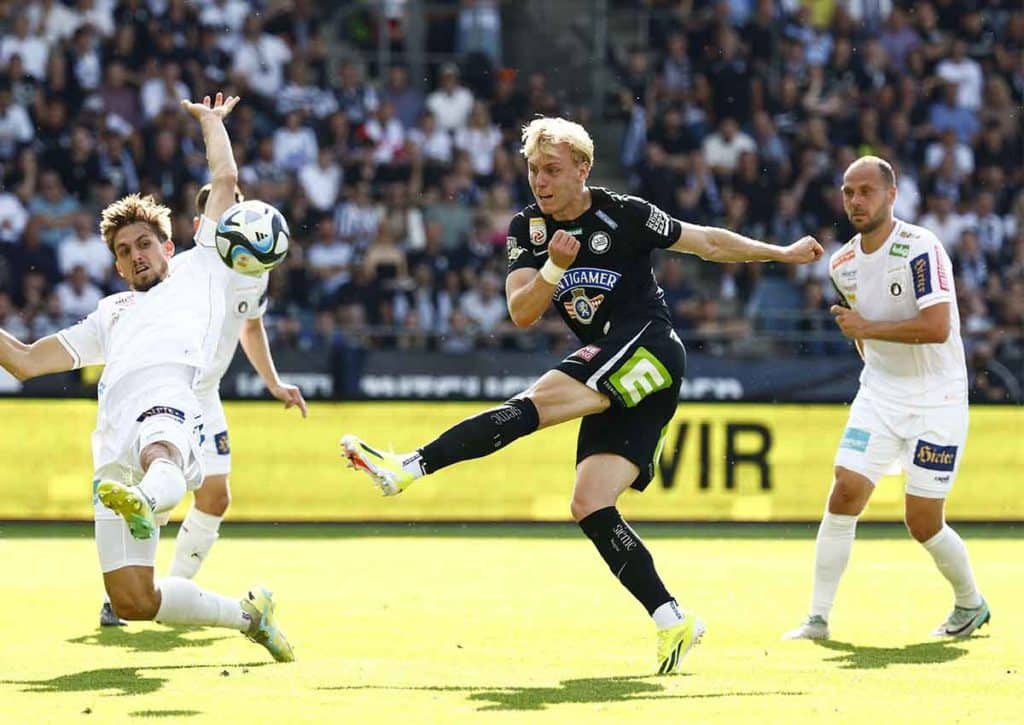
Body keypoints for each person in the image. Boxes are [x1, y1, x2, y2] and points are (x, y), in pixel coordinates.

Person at [341, 117, 823, 674]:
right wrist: (554, 266)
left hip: (650, 348)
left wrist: (783, 253)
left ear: (582, 169)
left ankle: (407, 468)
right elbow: (521, 313)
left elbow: (708, 242)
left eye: (551, 170)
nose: (539, 182)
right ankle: (673, 620)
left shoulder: (626, 213)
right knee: (589, 504)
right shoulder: (527, 229)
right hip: (614, 364)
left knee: (535, 404)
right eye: (531, 170)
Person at [0, 93, 294, 662]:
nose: (136, 256)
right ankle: (247, 615)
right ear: (114, 264)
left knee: (161, 450)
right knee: (134, 600)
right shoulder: (107, 315)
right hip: (112, 444)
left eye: (144, 244)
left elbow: (226, 177)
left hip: (172, 404)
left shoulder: (201, 266)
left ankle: (147, 494)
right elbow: (24, 360)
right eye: (123, 251)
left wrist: (211, 123)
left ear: (168, 246)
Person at [783, 156, 988, 641]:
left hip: (939, 397)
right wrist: (868, 341)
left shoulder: (921, 247)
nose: (855, 201)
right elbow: (861, 335)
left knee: (921, 521)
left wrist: (868, 330)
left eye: (866, 191)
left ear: (891, 195)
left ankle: (971, 604)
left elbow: (937, 328)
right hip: (880, 394)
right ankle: (817, 618)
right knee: (845, 491)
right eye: (848, 192)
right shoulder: (842, 264)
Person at [98, 181, 308, 627]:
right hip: (169, 388)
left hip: (205, 395)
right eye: (227, 213)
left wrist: (273, 383)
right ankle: (126, 590)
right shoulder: (193, 269)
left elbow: (251, 329)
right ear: (204, 226)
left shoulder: (254, 271)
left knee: (215, 496)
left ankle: (169, 587)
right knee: (157, 480)